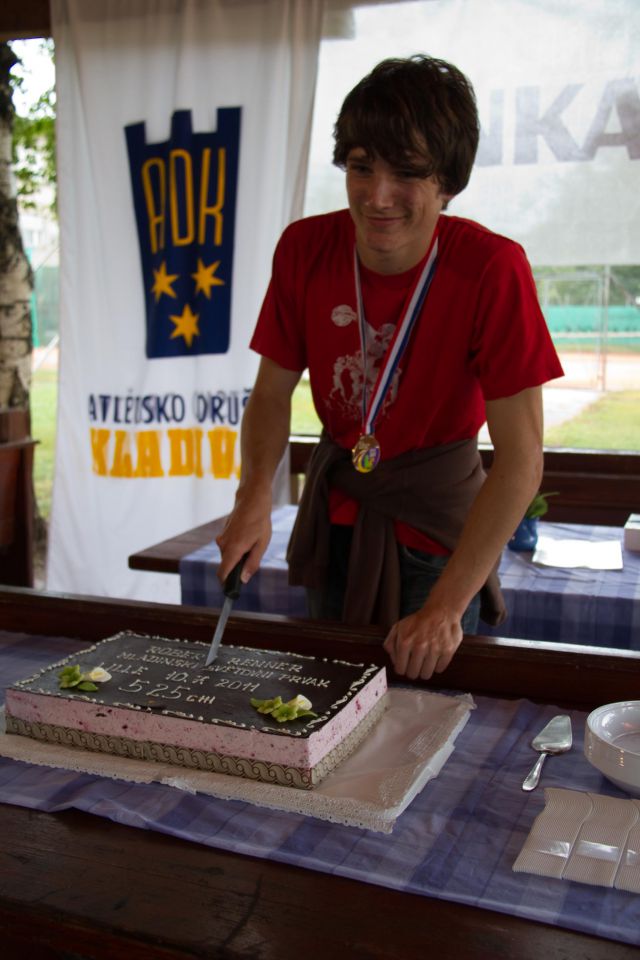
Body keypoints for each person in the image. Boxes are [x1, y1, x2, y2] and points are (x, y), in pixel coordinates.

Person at [216, 54, 563, 681]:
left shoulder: (491, 268)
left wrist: (447, 607)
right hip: (337, 520)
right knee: (321, 705)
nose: (378, 197)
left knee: (423, 732)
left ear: (447, 183)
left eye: (407, 172)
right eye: (360, 167)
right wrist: (252, 499)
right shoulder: (304, 249)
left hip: (443, 541)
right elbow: (270, 395)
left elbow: (522, 459)